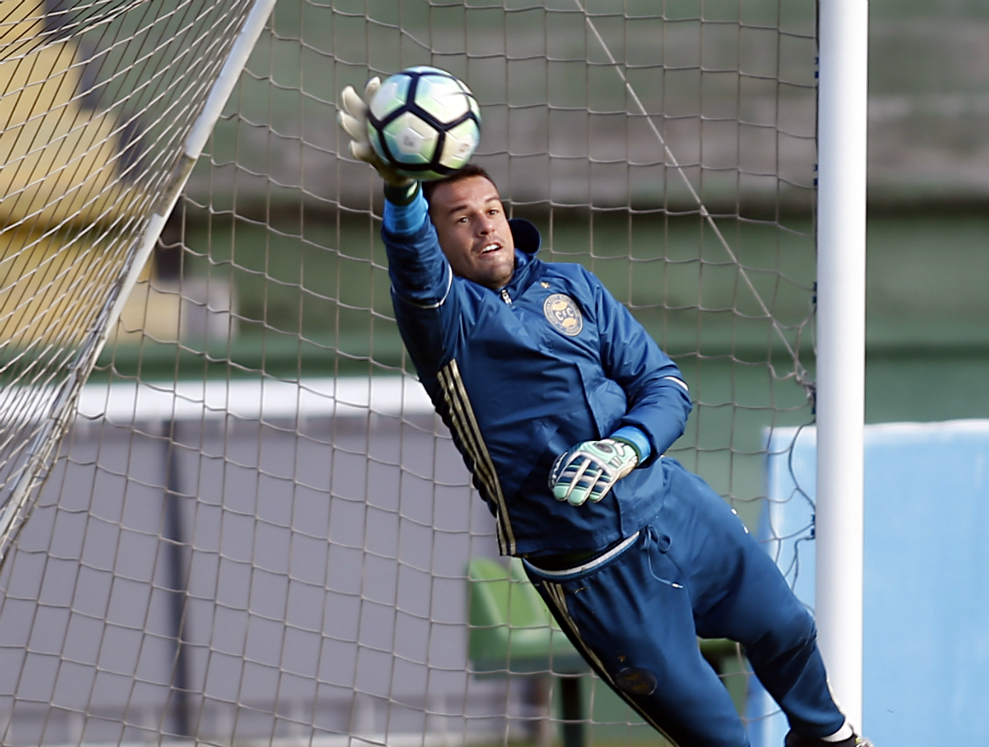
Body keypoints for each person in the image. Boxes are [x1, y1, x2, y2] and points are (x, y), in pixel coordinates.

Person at [339, 77, 872, 747]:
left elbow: (664, 384)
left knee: (787, 626)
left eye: (492, 210)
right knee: (720, 736)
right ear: (440, 238)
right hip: (593, 566)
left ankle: (832, 739)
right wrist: (401, 193)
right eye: (460, 218)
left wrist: (625, 446)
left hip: (673, 503)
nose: (484, 226)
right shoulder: (446, 325)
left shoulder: (572, 286)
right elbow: (413, 267)